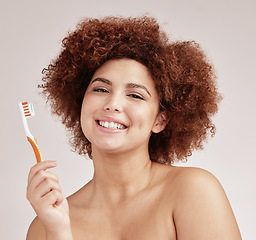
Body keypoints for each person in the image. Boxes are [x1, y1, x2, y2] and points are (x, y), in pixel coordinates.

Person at [26, 16, 242, 240]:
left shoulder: (193, 192)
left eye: (135, 95)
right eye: (100, 89)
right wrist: (59, 232)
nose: (112, 104)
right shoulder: (45, 225)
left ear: (160, 120)